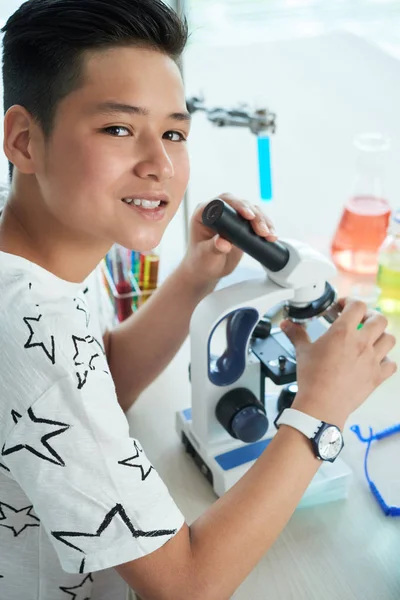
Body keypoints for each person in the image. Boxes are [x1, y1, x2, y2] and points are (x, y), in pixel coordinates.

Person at [0, 1, 396, 599]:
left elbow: (98, 378)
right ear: (26, 141)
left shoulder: (37, 254)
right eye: (117, 128)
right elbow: (185, 587)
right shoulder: (32, 329)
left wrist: (194, 277)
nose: (159, 165)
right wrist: (321, 415)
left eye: (174, 133)